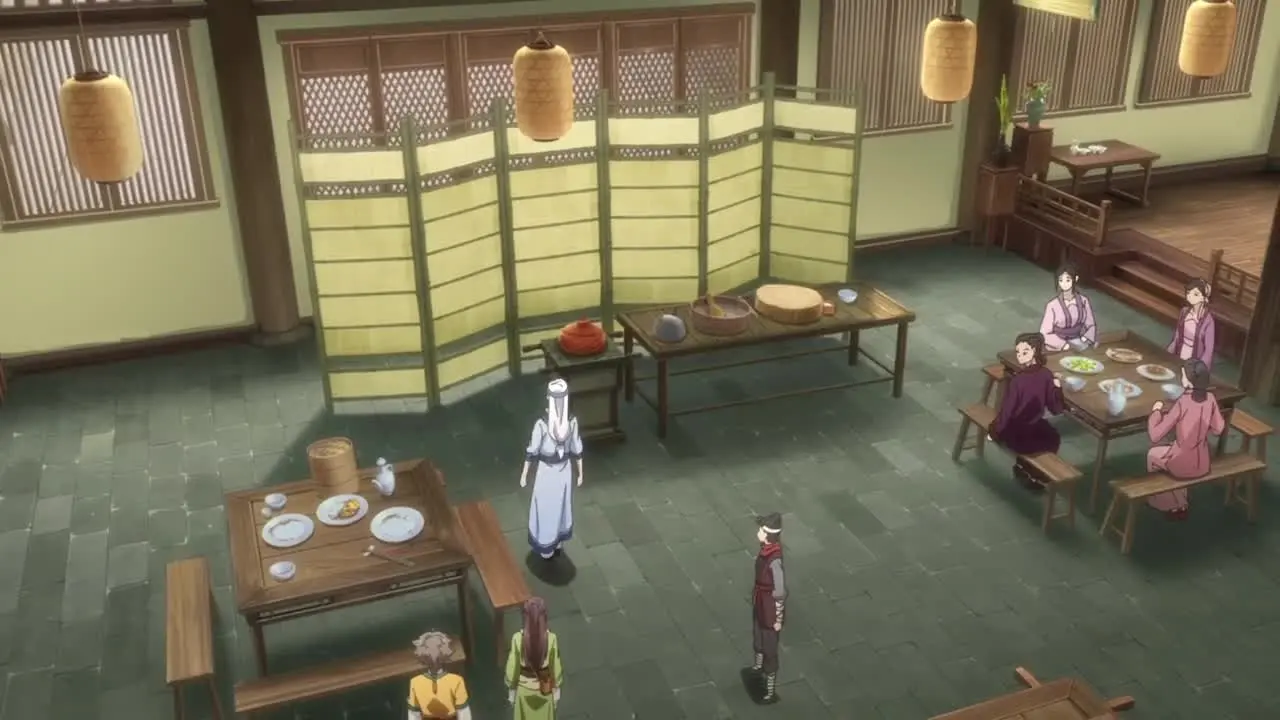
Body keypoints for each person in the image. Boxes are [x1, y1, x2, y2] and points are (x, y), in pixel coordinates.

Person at [1145, 359, 1225, 520]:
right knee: (1172, 454)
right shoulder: (1210, 398)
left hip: (1182, 463)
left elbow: (1155, 435)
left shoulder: (1183, 402)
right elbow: (1219, 428)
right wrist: (1201, 430)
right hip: (1202, 462)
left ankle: (1166, 503)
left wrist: (1156, 412)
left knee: (1153, 455)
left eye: (1182, 376)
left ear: (1188, 381)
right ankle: (1181, 502)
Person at [988, 332, 1066, 490]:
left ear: (1035, 351)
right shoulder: (1046, 375)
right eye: (1018, 352)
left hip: (1017, 432)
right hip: (1031, 429)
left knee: (1041, 437)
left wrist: (995, 431)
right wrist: (1057, 389)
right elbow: (1056, 408)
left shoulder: (1019, 380)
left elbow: (1007, 411)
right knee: (1053, 437)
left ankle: (1026, 470)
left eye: (1025, 352)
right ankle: (1034, 474)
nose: (1020, 356)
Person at [519, 378, 584, 559]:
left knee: (560, 506)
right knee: (546, 506)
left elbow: (576, 448)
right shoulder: (542, 424)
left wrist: (580, 473)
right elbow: (532, 451)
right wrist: (524, 474)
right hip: (547, 472)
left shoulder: (571, 422)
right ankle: (546, 544)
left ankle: (557, 540)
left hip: (563, 471)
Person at [747, 512, 787, 704]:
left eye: (761, 530)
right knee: (757, 634)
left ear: (768, 534)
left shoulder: (775, 559)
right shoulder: (765, 551)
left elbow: (779, 591)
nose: (758, 533)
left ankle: (770, 691)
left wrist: (778, 618)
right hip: (760, 600)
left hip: (769, 607)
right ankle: (758, 665)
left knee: (770, 645)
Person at [506, 596, 563, 720]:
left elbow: (512, 669)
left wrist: (512, 687)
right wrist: (556, 687)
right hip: (544, 689)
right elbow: (555, 668)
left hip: (523, 691)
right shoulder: (551, 639)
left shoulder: (517, 639)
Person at [407, 631, 471, 720]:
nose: (433, 657)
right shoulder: (415, 682)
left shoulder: (456, 681)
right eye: (429, 650)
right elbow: (414, 713)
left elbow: (463, 712)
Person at [1038, 263, 1098, 352]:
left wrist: (1086, 338)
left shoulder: (1084, 301)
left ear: (1075, 279)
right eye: (1061, 280)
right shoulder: (1052, 305)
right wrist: (1062, 344)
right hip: (1058, 344)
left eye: (1068, 280)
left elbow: (1091, 324)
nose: (1064, 284)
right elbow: (1044, 332)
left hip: (1078, 340)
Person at [1167, 277, 1217, 371]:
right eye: (1188, 293)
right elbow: (1177, 336)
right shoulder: (1184, 312)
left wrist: (1199, 369)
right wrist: (1168, 353)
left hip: (1195, 360)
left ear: (1204, 298)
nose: (1190, 296)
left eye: (1195, 294)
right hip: (1180, 353)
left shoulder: (1208, 321)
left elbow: (1208, 351)